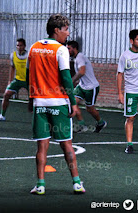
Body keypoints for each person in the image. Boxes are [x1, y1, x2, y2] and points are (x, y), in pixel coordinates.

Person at [27, 14, 85, 195]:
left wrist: (31, 100)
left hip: (40, 103)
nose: (67, 33)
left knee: (41, 146)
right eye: (65, 29)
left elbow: (30, 76)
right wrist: (73, 103)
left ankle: (41, 185)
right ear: (56, 30)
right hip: (58, 103)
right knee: (66, 144)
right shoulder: (61, 50)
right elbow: (67, 78)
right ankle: (76, 183)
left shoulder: (34, 47)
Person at [66, 40, 107, 133]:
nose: (67, 50)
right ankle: (82, 125)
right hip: (82, 86)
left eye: (69, 48)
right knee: (72, 102)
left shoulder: (80, 57)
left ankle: (101, 122)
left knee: (90, 109)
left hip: (91, 87)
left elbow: (82, 71)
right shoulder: (76, 58)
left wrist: (72, 81)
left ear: (74, 48)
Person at [0, 38, 28, 121]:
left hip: (28, 80)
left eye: (21, 45)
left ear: (25, 46)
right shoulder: (13, 55)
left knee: (35, 100)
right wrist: (10, 81)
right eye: (18, 45)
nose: (19, 47)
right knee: (6, 95)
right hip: (17, 80)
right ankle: (2, 115)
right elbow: (12, 68)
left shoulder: (29, 55)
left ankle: (39, 119)